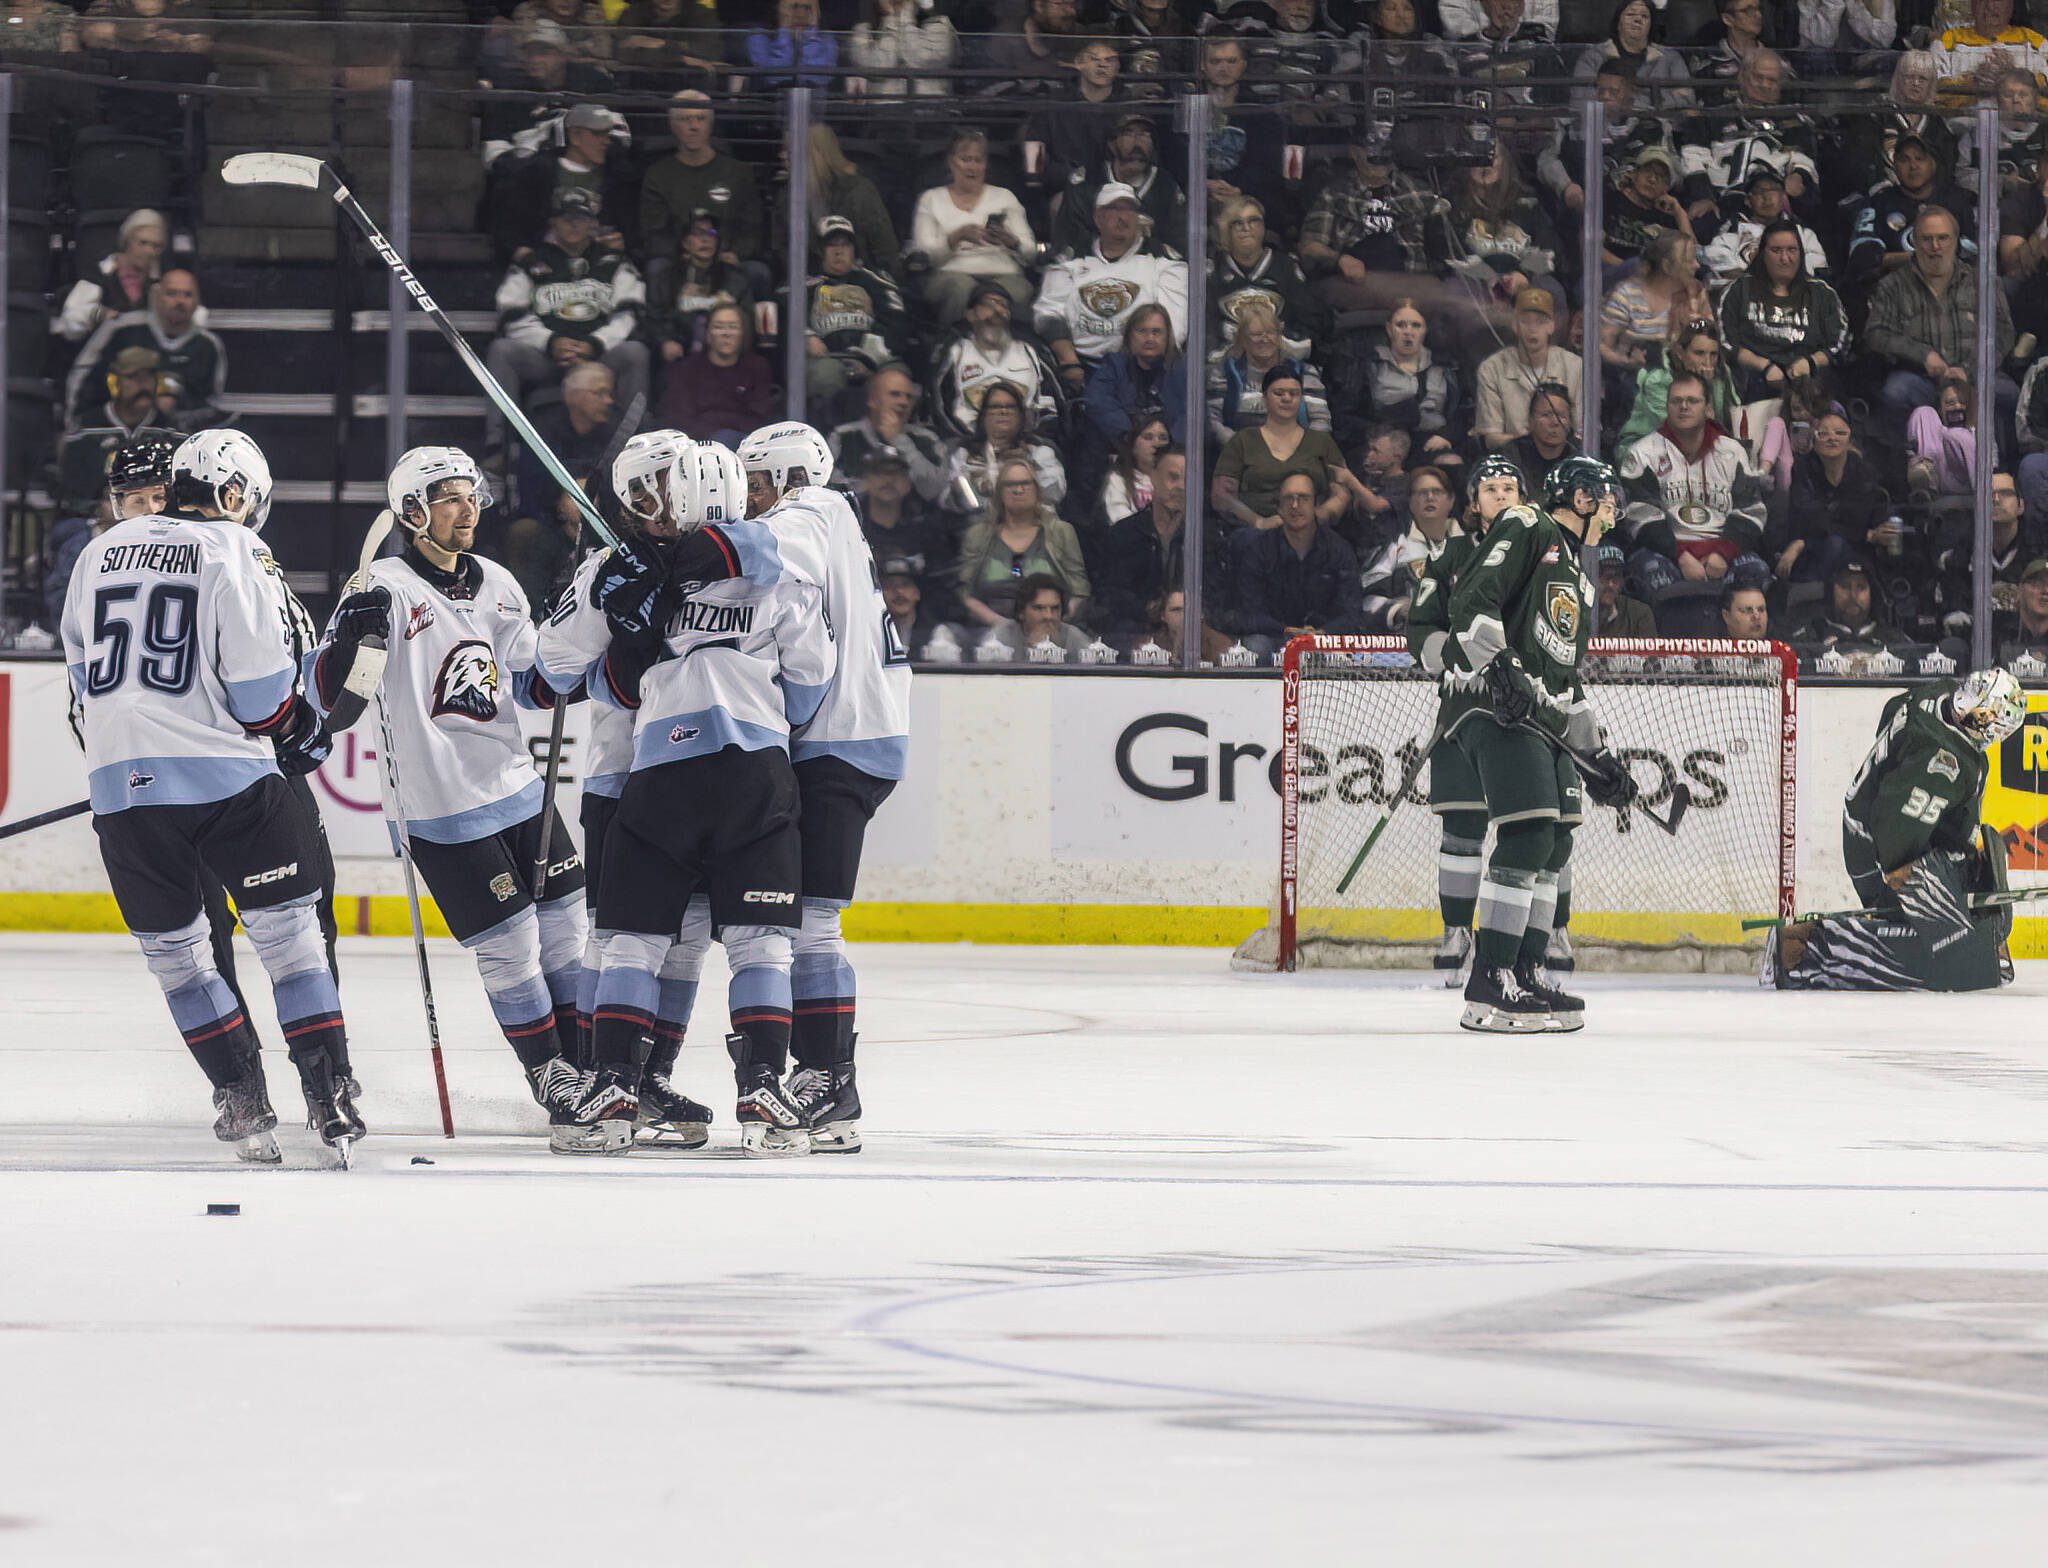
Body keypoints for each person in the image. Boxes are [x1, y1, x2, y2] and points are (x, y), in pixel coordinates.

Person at [59, 428, 357, 1163]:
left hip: (122, 791)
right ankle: (330, 1095)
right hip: (230, 782)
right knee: (291, 941)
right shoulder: (232, 549)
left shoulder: (96, 553)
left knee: (179, 958)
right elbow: (262, 699)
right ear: (230, 493)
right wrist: (298, 724)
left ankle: (242, 1099)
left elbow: (80, 689)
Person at [312, 447, 590, 1141]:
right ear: (413, 513)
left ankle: (593, 1072)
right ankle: (550, 1073)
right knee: (510, 945)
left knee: (568, 928)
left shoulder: (496, 580)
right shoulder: (381, 587)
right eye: (450, 500)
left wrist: (575, 623)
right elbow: (332, 697)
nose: (469, 511)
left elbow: (533, 682)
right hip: (440, 803)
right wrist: (354, 635)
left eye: (472, 497)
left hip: (519, 786)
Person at [568, 442, 830, 1154]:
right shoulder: (785, 569)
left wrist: (617, 629)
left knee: (634, 940)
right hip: (758, 775)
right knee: (761, 944)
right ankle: (762, 1091)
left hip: (661, 774)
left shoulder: (628, 572)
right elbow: (811, 679)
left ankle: (616, 1083)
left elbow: (558, 670)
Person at [662, 423, 916, 1151]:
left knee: (810, 920)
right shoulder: (834, 521)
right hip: (857, 737)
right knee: (807, 916)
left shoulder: (809, 513)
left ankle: (829, 1080)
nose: (747, 497)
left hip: (837, 741)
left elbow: (743, 551)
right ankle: (826, 1080)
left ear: (785, 477)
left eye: (754, 480)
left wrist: (657, 552)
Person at [531, 430, 716, 1147]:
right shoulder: (608, 567)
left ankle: (650, 1076)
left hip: (715, 774)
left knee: (690, 938)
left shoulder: (738, 558)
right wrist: (615, 624)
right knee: (616, 938)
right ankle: (598, 1077)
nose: (661, 504)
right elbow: (544, 678)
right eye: (644, 493)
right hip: (625, 775)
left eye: (671, 484)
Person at [1441, 455, 1637, 1033]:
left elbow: (1565, 680)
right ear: (1580, 497)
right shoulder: (1528, 524)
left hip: (1539, 715)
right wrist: (1499, 665)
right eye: (1605, 501)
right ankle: (1488, 983)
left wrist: (1596, 755)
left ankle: (1524, 972)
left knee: (1553, 842)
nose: (1611, 514)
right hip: (1492, 703)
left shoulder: (1578, 575)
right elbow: (1471, 600)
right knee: (1526, 833)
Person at [1770, 671, 2024, 993]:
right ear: (1980, 712)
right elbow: (1897, 827)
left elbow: (1892, 709)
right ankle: (1803, 952)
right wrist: (1906, 885)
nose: (1995, 733)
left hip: (1876, 826)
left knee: (1974, 857)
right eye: (1996, 724)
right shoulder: (1943, 761)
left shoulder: (1937, 695)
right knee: (1947, 949)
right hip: (1878, 849)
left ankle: (1962, 929)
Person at [1399, 455, 1528, 984]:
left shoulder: (1544, 551)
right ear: (1473, 502)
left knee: (1539, 827)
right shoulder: (1452, 553)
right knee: (1463, 824)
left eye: (1509, 487)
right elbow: (1421, 628)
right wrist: (1454, 660)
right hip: (1465, 707)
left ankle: (1543, 933)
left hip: (1530, 710)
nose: (1500, 495)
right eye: (1490, 488)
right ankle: (1458, 931)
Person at [485, 188, 649, 459]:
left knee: (635, 353)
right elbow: (509, 312)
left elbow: (630, 312)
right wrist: (550, 342)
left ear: (592, 223)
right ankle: (497, 447)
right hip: (546, 358)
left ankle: (634, 447)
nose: (573, 224)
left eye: (581, 218)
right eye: (566, 218)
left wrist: (595, 344)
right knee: (502, 350)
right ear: (553, 222)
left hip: (600, 358)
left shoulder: (614, 262)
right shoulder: (531, 262)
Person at [1864, 206, 2015, 432]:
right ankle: (1913, 459)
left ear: (1956, 241)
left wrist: (1968, 370)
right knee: (1896, 392)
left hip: (1976, 378)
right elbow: (1875, 333)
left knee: (2010, 395)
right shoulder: (1892, 285)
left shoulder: (1982, 281)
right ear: (1914, 241)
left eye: (1943, 238)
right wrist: (1922, 354)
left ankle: (1992, 464)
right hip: (1921, 379)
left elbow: (2003, 332)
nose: (1935, 247)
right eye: (1927, 239)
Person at [1618, 371, 1770, 591]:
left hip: (1722, 549)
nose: (1684, 406)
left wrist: (1723, 553)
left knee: (1756, 571)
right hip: (1667, 551)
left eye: (1693, 401)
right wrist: (1680, 555)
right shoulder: (1643, 452)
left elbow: (1751, 509)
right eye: (1676, 401)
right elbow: (1639, 513)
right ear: (1667, 406)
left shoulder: (1732, 451)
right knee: (1654, 575)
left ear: (1708, 408)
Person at [1035, 182, 1188, 389]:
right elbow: (1047, 313)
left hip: (1141, 371)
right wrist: (1069, 362)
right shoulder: (1071, 260)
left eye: (1130, 210)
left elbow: (1174, 327)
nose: (1123, 217)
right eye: (1114, 209)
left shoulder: (1163, 260)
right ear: (1098, 218)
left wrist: (1139, 369)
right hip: (1080, 368)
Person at [503, 361, 621, 612]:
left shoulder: (618, 430)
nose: (608, 400)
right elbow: (531, 489)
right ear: (574, 396)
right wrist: (563, 500)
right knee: (523, 532)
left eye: (609, 393)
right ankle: (529, 616)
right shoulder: (542, 430)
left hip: (608, 527)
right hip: (553, 524)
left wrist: (594, 494)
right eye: (599, 393)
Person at [1093, 447, 1229, 641]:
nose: (1181, 487)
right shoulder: (1124, 534)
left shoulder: (1207, 536)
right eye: (1173, 477)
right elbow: (1112, 594)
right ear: (1153, 478)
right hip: (1137, 629)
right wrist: (1154, 614)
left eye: (1188, 481)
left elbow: (1217, 594)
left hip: (1196, 631)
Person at [67, 267, 225, 430]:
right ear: (156, 297)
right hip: (110, 429)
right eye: (172, 293)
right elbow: (83, 376)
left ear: (197, 302)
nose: (180, 302)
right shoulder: (122, 330)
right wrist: (73, 425)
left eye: (188, 295)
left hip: (179, 437)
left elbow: (212, 406)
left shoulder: (209, 346)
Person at [639, 91, 765, 291]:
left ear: (710, 124)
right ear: (673, 126)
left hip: (727, 258)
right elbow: (654, 233)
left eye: (701, 119)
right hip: (679, 260)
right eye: (685, 119)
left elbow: (752, 229)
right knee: (657, 269)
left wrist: (734, 254)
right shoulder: (658, 175)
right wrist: (686, 255)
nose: (694, 127)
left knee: (758, 272)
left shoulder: (739, 172)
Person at [912, 128, 1038, 325]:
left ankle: (1014, 350)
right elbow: (924, 256)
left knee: (1010, 293)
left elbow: (1030, 253)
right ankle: (954, 346)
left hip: (1004, 272)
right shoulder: (931, 199)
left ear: (985, 165)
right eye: (965, 159)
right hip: (951, 274)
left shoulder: (1005, 197)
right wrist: (956, 238)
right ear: (951, 162)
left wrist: (1011, 242)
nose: (971, 167)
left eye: (978, 160)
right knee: (962, 289)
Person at [1231, 472, 1367, 652]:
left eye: (1303, 498)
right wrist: (1288, 631)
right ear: (1279, 507)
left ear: (1316, 504)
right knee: (1255, 646)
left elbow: (1351, 612)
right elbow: (1248, 613)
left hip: (1325, 639)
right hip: (1275, 637)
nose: (1295, 505)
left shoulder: (1339, 550)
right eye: (1288, 499)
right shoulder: (1259, 549)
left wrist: (1323, 633)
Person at [1212, 367, 1359, 530]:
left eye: (1294, 393)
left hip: (1313, 534)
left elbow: (1342, 493)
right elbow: (1222, 496)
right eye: (1279, 393)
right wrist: (1258, 522)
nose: (1287, 398)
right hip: (1253, 534)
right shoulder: (1242, 441)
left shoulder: (1322, 442)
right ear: (1264, 397)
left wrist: (1316, 518)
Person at [1717, 220, 1849, 399]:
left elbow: (1839, 343)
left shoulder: (1821, 293)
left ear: (1801, 253)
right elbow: (1726, 341)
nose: (1785, 258)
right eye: (1776, 250)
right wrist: (1764, 366)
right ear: (1762, 253)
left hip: (1809, 378)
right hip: (1754, 378)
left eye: (1791, 250)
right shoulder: (1739, 289)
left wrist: (1810, 363)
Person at [957, 458, 1092, 627]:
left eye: (1025, 483)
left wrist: (1055, 621)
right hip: (988, 632)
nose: (1018, 490)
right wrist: (1001, 625)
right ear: (999, 492)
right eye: (1010, 484)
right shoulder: (977, 535)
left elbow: (1079, 591)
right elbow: (966, 593)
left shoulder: (1061, 532)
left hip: (1052, 627)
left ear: (1037, 489)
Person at [797, 215, 912, 412]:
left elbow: (898, 321)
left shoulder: (876, 280)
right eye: (831, 245)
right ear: (820, 250)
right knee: (825, 376)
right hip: (828, 359)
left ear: (854, 249)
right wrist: (806, 335)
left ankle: (886, 440)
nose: (839, 251)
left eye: (845, 244)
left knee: (896, 378)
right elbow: (785, 316)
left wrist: (870, 355)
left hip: (875, 358)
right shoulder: (802, 282)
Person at [929, 280, 1065, 440]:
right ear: (970, 315)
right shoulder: (954, 351)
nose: (997, 310)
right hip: (966, 445)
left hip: (1028, 445)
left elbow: (1053, 404)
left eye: (1004, 305)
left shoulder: (1030, 350)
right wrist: (972, 443)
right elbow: (938, 406)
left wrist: (1032, 441)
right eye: (988, 304)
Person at [1780, 408, 1891, 584]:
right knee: (1834, 543)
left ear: (1849, 440)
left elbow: (1862, 518)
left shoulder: (1864, 472)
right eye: (1824, 433)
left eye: (1840, 433)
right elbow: (1812, 520)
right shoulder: (1802, 469)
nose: (1832, 438)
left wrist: (1874, 534)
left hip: (1857, 551)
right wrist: (1865, 534)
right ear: (1814, 440)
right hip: (1812, 552)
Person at [1209, 195, 1323, 357]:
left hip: (1280, 359)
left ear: (1263, 227)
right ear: (1226, 231)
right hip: (1227, 361)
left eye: (1253, 221)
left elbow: (1311, 320)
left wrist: (1286, 340)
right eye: (1237, 223)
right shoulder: (1214, 269)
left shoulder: (1285, 267)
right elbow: (1205, 325)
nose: (1246, 228)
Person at [1474, 288, 1582, 449]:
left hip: (1563, 457)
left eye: (1541, 321)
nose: (1533, 328)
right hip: (1513, 457)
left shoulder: (1574, 366)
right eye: (1525, 321)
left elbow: (1582, 432)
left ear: (1551, 326)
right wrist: (1533, 445)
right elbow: (1491, 437)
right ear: (1514, 325)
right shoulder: (1492, 369)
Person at [1208, 299, 1328, 439]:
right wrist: (1240, 447)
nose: (1265, 339)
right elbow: (1212, 421)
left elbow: (1321, 421)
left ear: (1279, 337)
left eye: (1270, 333)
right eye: (1256, 334)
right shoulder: (1223, 373)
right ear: (1243, 339)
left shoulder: (1305, 372)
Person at [828, 365, 950, 501]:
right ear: (872, 400)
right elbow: (831, 492)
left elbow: (935, 491)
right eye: (895, 394)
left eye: (908, 397)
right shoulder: (843, 437)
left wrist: (900, 441)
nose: (904, 402)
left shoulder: (927, 439)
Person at [659, 301, 776, 443]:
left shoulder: (757, 367)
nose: (726, 333)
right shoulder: (686, 369)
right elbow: (679, 420)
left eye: (733, 327)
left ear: (743, 334)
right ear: (707, 334)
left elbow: (760, 418)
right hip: (697, 446)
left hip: (745, 444)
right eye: (718, 327)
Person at [1084, 303, 1187, 449]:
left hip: (1174, 452)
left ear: (1167, 336)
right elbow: (1098, 402)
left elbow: (1193, 414)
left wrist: (1169, 445)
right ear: (1129, 336)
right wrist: (1132, 437)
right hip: (1123, 448)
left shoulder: (1184, 368)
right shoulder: (1114, 365)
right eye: (1141, 331)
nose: (1150, 338)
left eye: (1156, 332)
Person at [56, 206, 164, 342]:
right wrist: (98, 314)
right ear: (127, 241)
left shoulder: (162, 281)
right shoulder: (100, 274)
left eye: (156, 246)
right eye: (142, 243)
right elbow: (70, 323)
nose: (149, 251)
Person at [848, 0, 957, 98]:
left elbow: (921, 60)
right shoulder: (863, 30)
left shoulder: (938, 24)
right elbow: (879, 67)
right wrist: (891, 19)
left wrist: (905, 19)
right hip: (884, 110)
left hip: (929, 108)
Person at [985, 573, 1095, 660]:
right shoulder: (1001, 637)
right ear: (1021, 612)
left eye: (1055, 608)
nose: (1048, 616)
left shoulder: (1073, 637)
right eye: (1039, 608)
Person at [1504, 383, 1582, 494]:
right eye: (1546, 415)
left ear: (1570, 422)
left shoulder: (1581, 455)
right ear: (1530, 420)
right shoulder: (1512, 455)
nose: (1555, 422)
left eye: (1561, 416)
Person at [1102, 416, 1170, 524]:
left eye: (1163, 438)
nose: (1156, 444)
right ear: (1133, 446)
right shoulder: (1118, 479)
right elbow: (1119, 520)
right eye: (1148, 437)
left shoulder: (1177, 480)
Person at [1597, 541, 1657, 633]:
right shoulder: (1575, 608)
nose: (1610, 584)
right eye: (1603, 576)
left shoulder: (1638, 614)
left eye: (1616, 577)